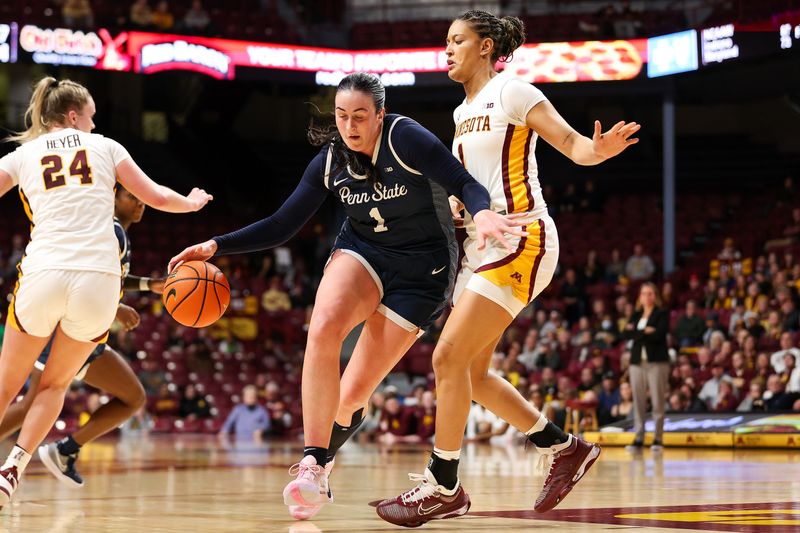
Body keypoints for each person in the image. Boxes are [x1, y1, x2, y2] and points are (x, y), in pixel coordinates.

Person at [168, 72, 526, 520]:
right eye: (341, 116)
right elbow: (282, 224)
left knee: (353, 394)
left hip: (423, 271)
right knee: (323, 328)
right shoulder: (329, 161)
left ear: (379, 114)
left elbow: (463, 181)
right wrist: (215, 245)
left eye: (360, 116)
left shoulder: (406, 138)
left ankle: (326, 455)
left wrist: (483, 211)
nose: (350, 125)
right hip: (365, 252)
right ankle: (314, 462)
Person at [376, 10, 639, 527]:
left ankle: (443, 484)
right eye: (446, 40)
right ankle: (563, 447)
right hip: (481, 246)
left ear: (485, 45)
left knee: (446, 358)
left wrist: (597, 151)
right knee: (471, 373)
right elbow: (470, 187)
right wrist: (456, 205)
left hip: (523, 238)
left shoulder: (515, 91)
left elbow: (570, 144)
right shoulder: (461, 112)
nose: (447, 49)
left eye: (457, 40)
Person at [0, 76, 211, 506]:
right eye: (92, 118)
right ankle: (11, 471)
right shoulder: (107, 147)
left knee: (6, 388)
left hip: (45, 271)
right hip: (99, 282)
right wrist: (190, 201)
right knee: (54, 387)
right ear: (74, 115)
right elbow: (154, 196)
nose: (95, 126)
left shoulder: (23, 154)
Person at [0, 185, 168, 487]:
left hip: (85, 333)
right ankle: (56, 453)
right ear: (113, 197)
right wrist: (116, 307)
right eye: (132, 197)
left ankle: (65, 450)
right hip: (65, 330)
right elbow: (85, 278)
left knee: (133, 397)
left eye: (142, 198)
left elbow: (111, 278)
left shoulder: (117, 232)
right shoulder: (107, 230)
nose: (140, 203)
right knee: (32, 403)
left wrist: (148, 285)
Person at [622, 282, 669, 451]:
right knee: (639, 401)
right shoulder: (636, 314)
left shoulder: (662, 313)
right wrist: (644, 332)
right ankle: (639, 436)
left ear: (655, 296)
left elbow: (659, 334)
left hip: (656, 362)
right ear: (640, 297)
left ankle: (658, 438)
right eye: (644, 293)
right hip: (636, 363)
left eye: (650, 293)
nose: (647, 296)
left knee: (657, 401)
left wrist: (637, 333)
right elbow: (626, 333)